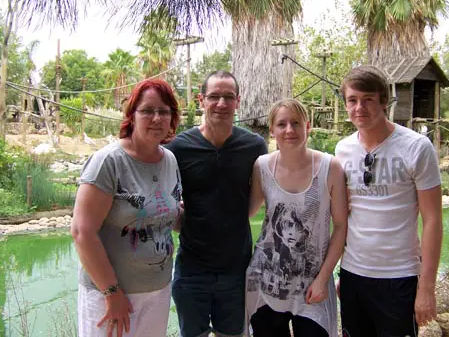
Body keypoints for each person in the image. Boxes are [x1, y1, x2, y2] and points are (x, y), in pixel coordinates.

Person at [334, 65, 443, 337]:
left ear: (384, 101)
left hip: (399, 277)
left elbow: (432, 220)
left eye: (368, 99)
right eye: (352, 100)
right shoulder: (343, 149)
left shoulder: (417, 147)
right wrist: (340, 273)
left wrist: (426, 288)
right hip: (353, 275)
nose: (360, 107)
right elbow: (343, 216)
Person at [71, 79, 183, 337]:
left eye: (164, 111)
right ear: (132, 116)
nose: (156, 118)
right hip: (110, 297)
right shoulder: (108, 162)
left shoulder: (169, 160)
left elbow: (170, 212)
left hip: (158, 291)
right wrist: (112, 293)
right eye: (147, 110)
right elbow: (81, 232)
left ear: (172, 117)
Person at [166, 71, 268, 337]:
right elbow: (167, 197)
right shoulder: (179, 148)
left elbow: (256, 200)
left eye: (228, 97)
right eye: (214, 96)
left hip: (237, 266)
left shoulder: (254, 146)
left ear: (238, 101)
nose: (221, 103)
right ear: (201, 100)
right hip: (192, 267)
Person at [246, 98, 348, 337]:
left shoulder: (330, 168)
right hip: (267, 281)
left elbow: (341, 226)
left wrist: (324, 279)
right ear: (272, 130)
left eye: (295, 123)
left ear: (307, 126)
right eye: (281, 124)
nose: (289, 130)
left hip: (313, 283)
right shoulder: (262, 166)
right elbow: (246, 213)